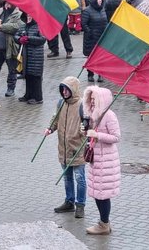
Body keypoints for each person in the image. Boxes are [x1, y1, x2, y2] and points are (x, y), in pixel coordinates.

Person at [44, 77, 86, 220]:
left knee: (80, 178)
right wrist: (50, 129)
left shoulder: (82, 105)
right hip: (63, 148)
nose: (64, 91)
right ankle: (69, 201)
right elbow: (56, 119)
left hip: (77, 148)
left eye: (67, 89)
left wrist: (84, 129)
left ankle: (80, 204)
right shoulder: (61, 103)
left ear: (73, 90)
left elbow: (88, 124)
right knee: (67, 177)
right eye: (63, 89)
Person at [81, 85, 121, 236]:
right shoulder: (91, 114)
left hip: (107, 161)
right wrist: (85, 131)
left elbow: (116, 137)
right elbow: (87, 133)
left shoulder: (109, 115)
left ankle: (104, 224)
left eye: (94, 99)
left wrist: (98, 136)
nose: (91, 102)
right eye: (90, 99)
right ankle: (103, 223)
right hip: (95, 159)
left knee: (103, 194)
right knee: (97, 193)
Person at [0, 1, 23, 97]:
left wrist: (2, 26)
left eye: (9, 3)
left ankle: (11, 88)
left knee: (12, 69)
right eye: (6, 3)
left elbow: (17, 26)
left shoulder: (18, 14)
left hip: (10, 48)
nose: (7, 5)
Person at [14, 13, 46, 104]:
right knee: (27, 76)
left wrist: (29, 38)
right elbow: (16, 35)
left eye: (30, 17)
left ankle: (38, 97)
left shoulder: (39, 26)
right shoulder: (23, 26)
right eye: (27, 16)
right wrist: (19, 39)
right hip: (26, 55)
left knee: (35, 77)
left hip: (36, 56)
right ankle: (28, 94)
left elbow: (42, 39)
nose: (28, 18)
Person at [81, 0, 107, 83]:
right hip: (91, 38)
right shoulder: (87, 11)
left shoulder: (103, 10)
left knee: (101, 58)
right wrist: (90, 32)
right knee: (91, 57)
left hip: (101, 37)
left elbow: (105, 21)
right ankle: (90, 74)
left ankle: (100, 75)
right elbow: (83, 24)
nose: (100, 1)